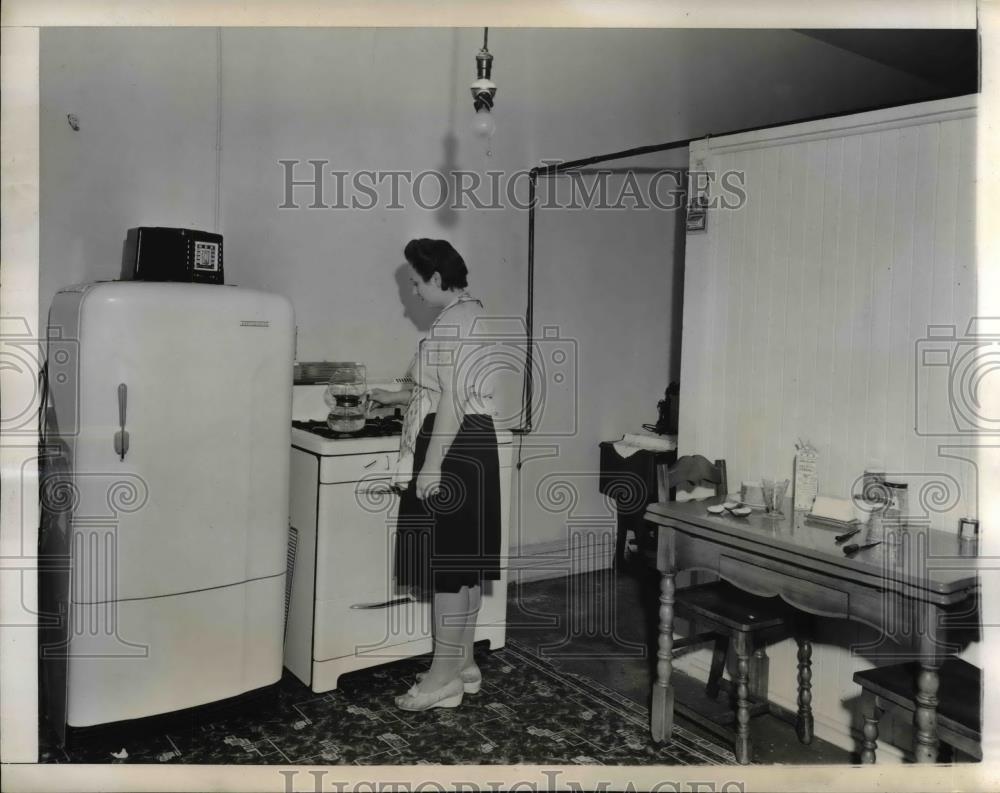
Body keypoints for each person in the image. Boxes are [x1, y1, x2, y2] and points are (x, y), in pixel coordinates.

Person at [368, 238, 501, 711]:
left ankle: (441, 679)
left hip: (452, 446)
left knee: (449, 567)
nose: (414, 290)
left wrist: (431, 466)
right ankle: (461, 662)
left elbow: (450, 402)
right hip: (472, 444)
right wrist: (395, 397)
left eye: (418, 281)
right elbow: (439, 388)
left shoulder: (456, 323)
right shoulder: (469, 315)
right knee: (462, 566)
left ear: (440, 280)